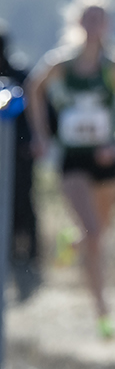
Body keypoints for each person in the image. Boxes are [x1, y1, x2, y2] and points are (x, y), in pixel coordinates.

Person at [26, 0, 115, 338]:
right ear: (77, 22)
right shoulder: (60, 64)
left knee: (98, 236)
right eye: (88, 17)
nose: (94, 25)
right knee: (94, 234)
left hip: (105, 160)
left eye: (100, 18)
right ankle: (102, 313)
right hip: (73, 159)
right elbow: (33, 89)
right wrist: (41, 135)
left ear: (108, 24)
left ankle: (70, 242)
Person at [0, 21, 41, 301]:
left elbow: (39, 111)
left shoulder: (21, 76)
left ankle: (27, 263)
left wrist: (32, 143)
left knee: (22, 208)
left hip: (18, 158)